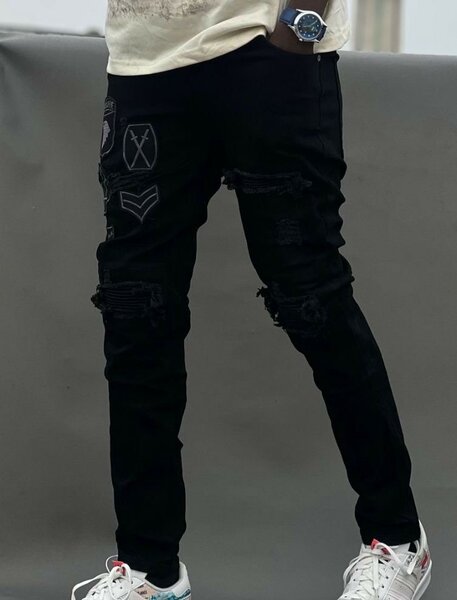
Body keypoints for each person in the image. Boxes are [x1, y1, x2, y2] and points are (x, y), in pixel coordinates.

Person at [71, 1, 433, 599]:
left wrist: (298, 25)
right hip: (145, 60)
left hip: (266, 48)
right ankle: (150, 570)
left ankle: (396, 538)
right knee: (136, 312)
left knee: (310, 296)